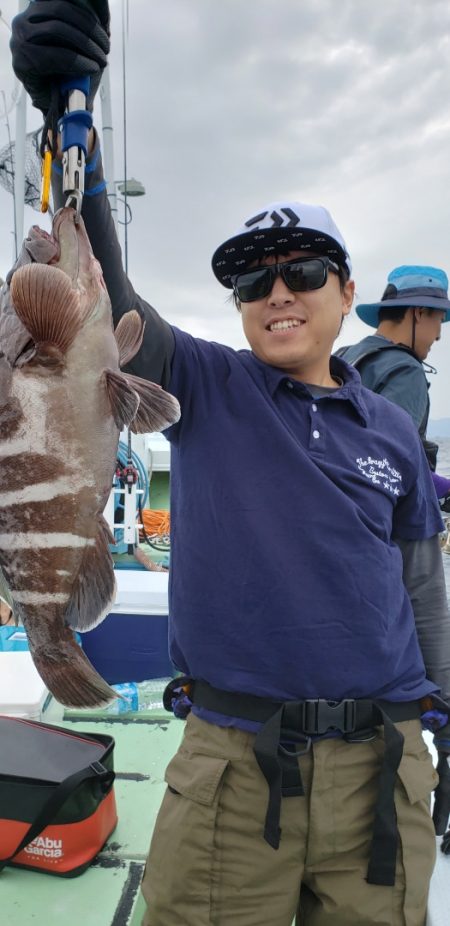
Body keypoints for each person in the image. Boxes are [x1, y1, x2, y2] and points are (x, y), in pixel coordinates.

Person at [8, 4, 450, 924]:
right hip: (232, 771)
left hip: (383, 770)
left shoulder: (395, 429)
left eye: (302, 270)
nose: (277, 291)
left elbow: (418, 586)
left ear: (348, 292)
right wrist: (62, 115)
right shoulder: (208, 382)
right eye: (253, 278)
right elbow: (111, 304)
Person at [336, 266, 450, 504]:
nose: (438, 335)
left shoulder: (342, 357)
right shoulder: (406, 370)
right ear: (419, 313)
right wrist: (444, 488)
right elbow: (390, 462)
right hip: (379, 523)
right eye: (439, 320)